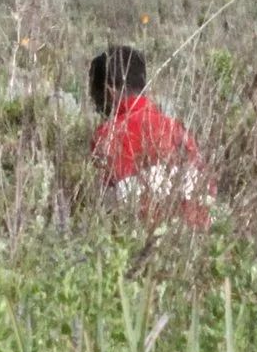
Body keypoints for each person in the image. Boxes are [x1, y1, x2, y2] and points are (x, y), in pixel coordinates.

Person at [88, 45, 209, 227]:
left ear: (109, 92)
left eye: (95, 96)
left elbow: (109, 212)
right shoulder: (178, 130)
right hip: (199, 236)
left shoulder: (107, 136)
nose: (96, 105)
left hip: (142, 236)